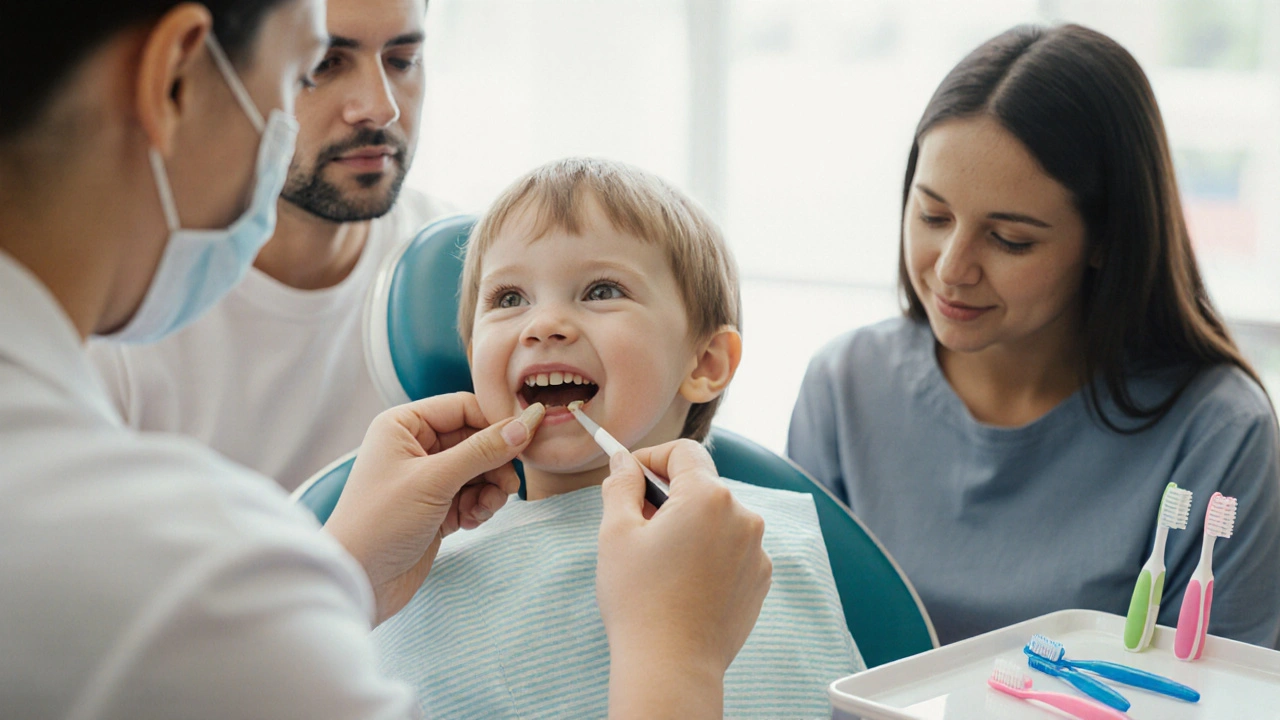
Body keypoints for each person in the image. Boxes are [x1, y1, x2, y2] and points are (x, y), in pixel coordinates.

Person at [0, 2, 772, 717]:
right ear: (172, 76)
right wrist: (676, 660)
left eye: (403, 59)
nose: (379, 107)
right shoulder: (189, 589)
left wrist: (345, 572)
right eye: (308, 67)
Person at [789, 24, 1280, 647]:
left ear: (1106, 240)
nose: (952, 269)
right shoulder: (844, 385)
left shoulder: (1219, 433)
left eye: (1009, 239)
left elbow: (1223, 688)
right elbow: (798, 647)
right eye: (933, 214)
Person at [371, 157, 862, 718]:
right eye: (509, 299)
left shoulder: (775, 546)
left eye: (601, 290)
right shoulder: (414, 569)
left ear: (705, 361)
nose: (543, 324)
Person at [88, 0, 452, 491]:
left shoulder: (473, 272)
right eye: (324, 64)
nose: (380, 107)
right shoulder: (122, 313)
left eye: (402, 60)